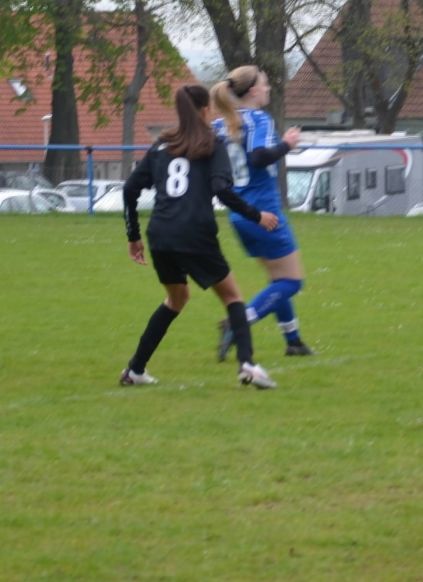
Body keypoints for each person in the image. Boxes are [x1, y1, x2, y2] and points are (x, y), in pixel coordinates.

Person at [119, 83, 280, 389]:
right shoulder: (212, 144)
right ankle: (247, 364)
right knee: (233, 296)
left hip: (161, 234)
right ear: (206, 110)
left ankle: (134, 370)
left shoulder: (160, 146)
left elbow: (129, 190)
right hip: (195, 232)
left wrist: (133, 236)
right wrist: (257, 215)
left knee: (176, 299)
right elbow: (222, 189)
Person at [208, 65, 312, 360]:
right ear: (252, 91)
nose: (268, 89)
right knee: (292, 282)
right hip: (264, 213)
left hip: (239, 214)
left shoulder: (220, 124)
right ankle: (238, 323)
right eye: (265, 85)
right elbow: (258, 157)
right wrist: (287, 145)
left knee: (278, 282)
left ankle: (293, 340)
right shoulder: (258, 119)